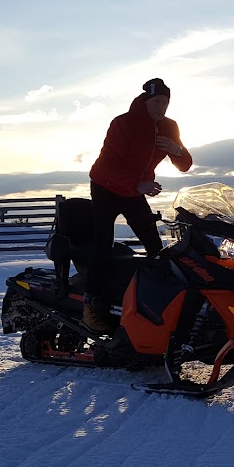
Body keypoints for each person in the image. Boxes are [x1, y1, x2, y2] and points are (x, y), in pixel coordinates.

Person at [82, 77, 192, 332]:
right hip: (105, 187)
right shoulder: (123, 124)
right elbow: (106, 165)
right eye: (156, 102)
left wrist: (177, 150)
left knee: (155, 244)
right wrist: (138, 184)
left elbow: (184, 164)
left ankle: (158, 302)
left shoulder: (169, 126)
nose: (160, 107)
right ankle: (91, 308)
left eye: (165, 102)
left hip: (133, 190)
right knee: (103, 243)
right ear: (145, 101)